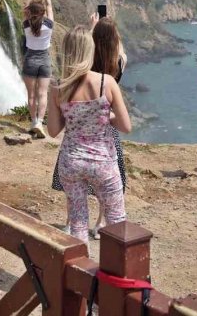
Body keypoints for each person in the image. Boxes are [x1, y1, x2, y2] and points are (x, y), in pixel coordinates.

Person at [47, 25, 131, 244]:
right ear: (89, 51)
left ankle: (79, 272)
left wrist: (74, 115)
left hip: (71, 161)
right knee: (116, 220)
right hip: (102, 162)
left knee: (78, 222)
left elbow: (53, 130)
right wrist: (103, 116)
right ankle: (114, 275)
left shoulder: (57, 86)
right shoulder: (106, 82)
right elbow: (125, 126)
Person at [22, 0, 54, 138]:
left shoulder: (27, 25)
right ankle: (40, 123)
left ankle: (33, 121)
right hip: (44, 60)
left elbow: (26, 9)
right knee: (42, 94)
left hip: (30, 59)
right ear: (43, 13)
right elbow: (49, 4)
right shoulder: (49, 25)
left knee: (31, 95)